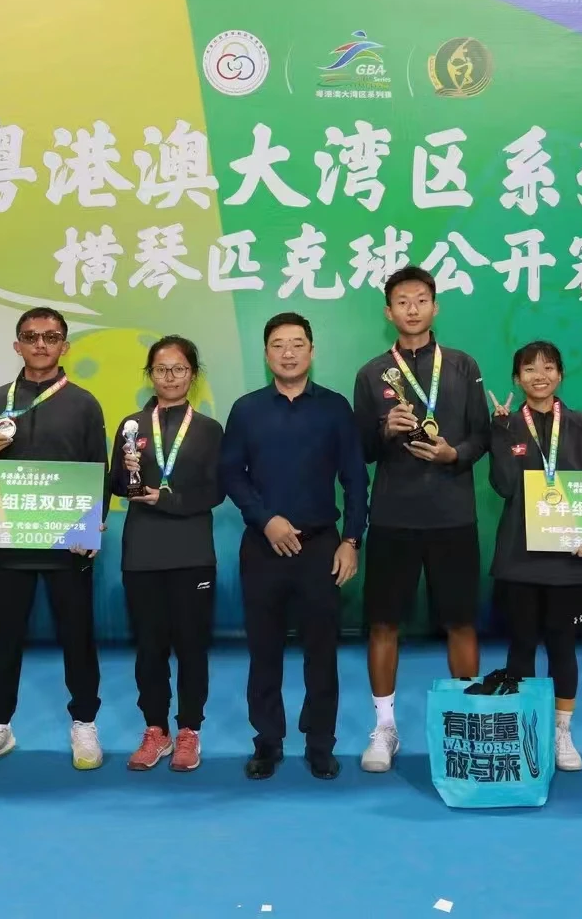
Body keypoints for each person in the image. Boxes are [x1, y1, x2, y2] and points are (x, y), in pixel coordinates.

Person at [0, 307, 110, 772]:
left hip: (69, 543)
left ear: (65, 345)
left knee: (77, 637)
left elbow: (98, 469)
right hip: (8, 541)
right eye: (31, 336)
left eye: (51, 336)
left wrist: (92, 525)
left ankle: (84, 723)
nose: (41, 344)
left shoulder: (84, 403)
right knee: (4, 637)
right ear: (17, 345)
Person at [351, 266, 490, 773]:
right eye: (402, 302)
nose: (412, 309)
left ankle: (468, 724)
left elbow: (482, 436)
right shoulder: (371, 373)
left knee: (461, 622)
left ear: (435, 306)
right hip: (394, 516)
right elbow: (360, 450)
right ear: (388, 312)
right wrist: (384, 429)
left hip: (453, 515)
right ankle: (385, 727)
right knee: (384, 623)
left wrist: (455, 454)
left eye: (421, 299)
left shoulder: (463, 365)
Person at [220, 312, 367, 781]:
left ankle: (320, 743)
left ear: (311, 351)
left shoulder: (335, 408)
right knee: (263, 651)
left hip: (321, 547)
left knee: (322, 652)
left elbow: (356, 479)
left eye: (298, 344)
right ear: (266, 354)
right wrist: (266, 520)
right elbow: (231, 474)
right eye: (278, 345)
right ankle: (267, 742)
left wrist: (351, 540)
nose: (288, 353)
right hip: (263, 547)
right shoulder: (246, 410)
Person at [485, 341, 582, 771]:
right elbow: (503, 485)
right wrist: (500, 432)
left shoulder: (580, 424)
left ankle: (562, 733)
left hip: (568, 556)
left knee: (562, 646)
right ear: (516, 378)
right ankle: (521, 731)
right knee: (520, 645)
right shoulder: (507, 425)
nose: (540, 376)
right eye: (530, 369)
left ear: (561, 374)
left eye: (549, 367)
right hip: (519, 554)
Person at [110, 335, 225, 773]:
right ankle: (155, 730)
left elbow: (217, 491)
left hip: (192, 552)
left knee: (192, 646)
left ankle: (189, 730)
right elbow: (116, 484)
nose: (170, 377)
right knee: (149, 648)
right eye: (161, 369)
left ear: (192, 375)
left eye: (179, 369)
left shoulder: (209, 430)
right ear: (150, 374)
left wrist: (167, 499)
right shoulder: (131, 426)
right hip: (142, 553)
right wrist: (128, 477)